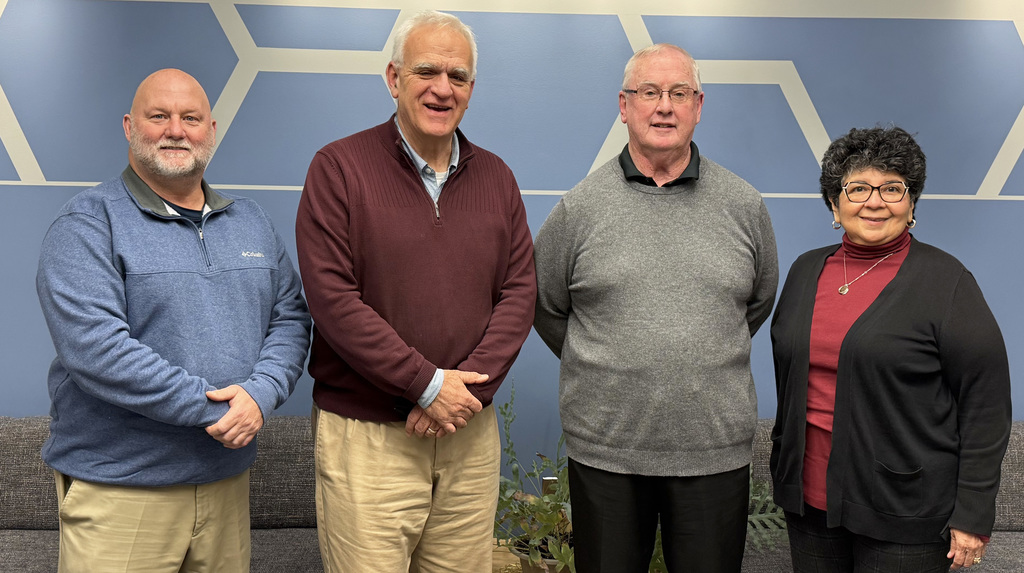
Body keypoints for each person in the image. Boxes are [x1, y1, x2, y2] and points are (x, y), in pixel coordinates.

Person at [34, 69, 311, 573]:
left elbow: (290, 318)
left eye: (191, 118)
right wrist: (220, 411)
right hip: (121, 489)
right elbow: (96, 350)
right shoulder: (88, 222)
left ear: (212, 129)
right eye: (159, 116)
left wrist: (261, 394)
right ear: (129, 126)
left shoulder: (251, 221)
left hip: (226, 481)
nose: (176, 131)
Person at [294, 10, 536, 572]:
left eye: (458, 76)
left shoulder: (497, 177)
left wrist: (461, 393)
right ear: (393, 78)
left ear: (471, 89)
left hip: (468, 432)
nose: (442, 88)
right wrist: (426, 385)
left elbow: (520, 292)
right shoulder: (338, 168)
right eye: (426, 71)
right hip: (369, 439)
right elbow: (333, 300)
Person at [533, 44, 779, 572]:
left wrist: (694, 350)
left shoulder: (744, 205)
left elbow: (756, 304)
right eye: (649, 92)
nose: (664, 106)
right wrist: (609, 361)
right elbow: (546, 305)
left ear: (698, 106)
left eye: (679, 93)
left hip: (714, 450)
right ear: (624, 105)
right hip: (607, 452)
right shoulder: (579, 209)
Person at [769, 126, 1012, 572]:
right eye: (858, 188)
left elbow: (986, 404)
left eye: (892, 188)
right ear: (834, 203)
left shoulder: (946, 282)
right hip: (809, 502)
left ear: (911, 202)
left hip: (906, 509)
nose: (875, 201)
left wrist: (973, 512)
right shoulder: (805, 271)